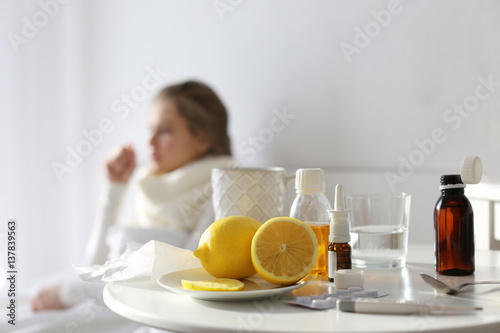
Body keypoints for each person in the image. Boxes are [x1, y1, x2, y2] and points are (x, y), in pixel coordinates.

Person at [31, 80, 234, 313]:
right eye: (150, 129)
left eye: (165, 130)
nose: (150, 142)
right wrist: (115, 188)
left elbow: (180, 282)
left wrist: (70, 292)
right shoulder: (151, 186)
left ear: (203, 139)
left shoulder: (223, 192)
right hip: (107, 303)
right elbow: (95, 265)